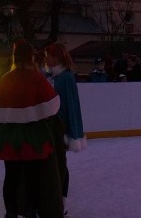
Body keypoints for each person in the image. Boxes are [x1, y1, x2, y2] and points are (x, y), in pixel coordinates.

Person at [0, 40, 63, 218]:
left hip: (10, 135)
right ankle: (30, 210)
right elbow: (53, 104)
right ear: (31, 57)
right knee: (32, 176)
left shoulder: (6, 78)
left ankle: (11, 212)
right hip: (32, 135)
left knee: (11, 176)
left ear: (14, 57)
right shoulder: (36, 78)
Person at [44, 43, 87, 214]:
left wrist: (71, 133)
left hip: (59, 128)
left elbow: (71, 106)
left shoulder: (66, 78)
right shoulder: (50, 76)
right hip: (49, 127)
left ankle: (61, 202)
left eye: (48, 55)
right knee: (53, 164)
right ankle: (52, 200)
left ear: (57, 58)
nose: (46, 58)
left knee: (59, 165)